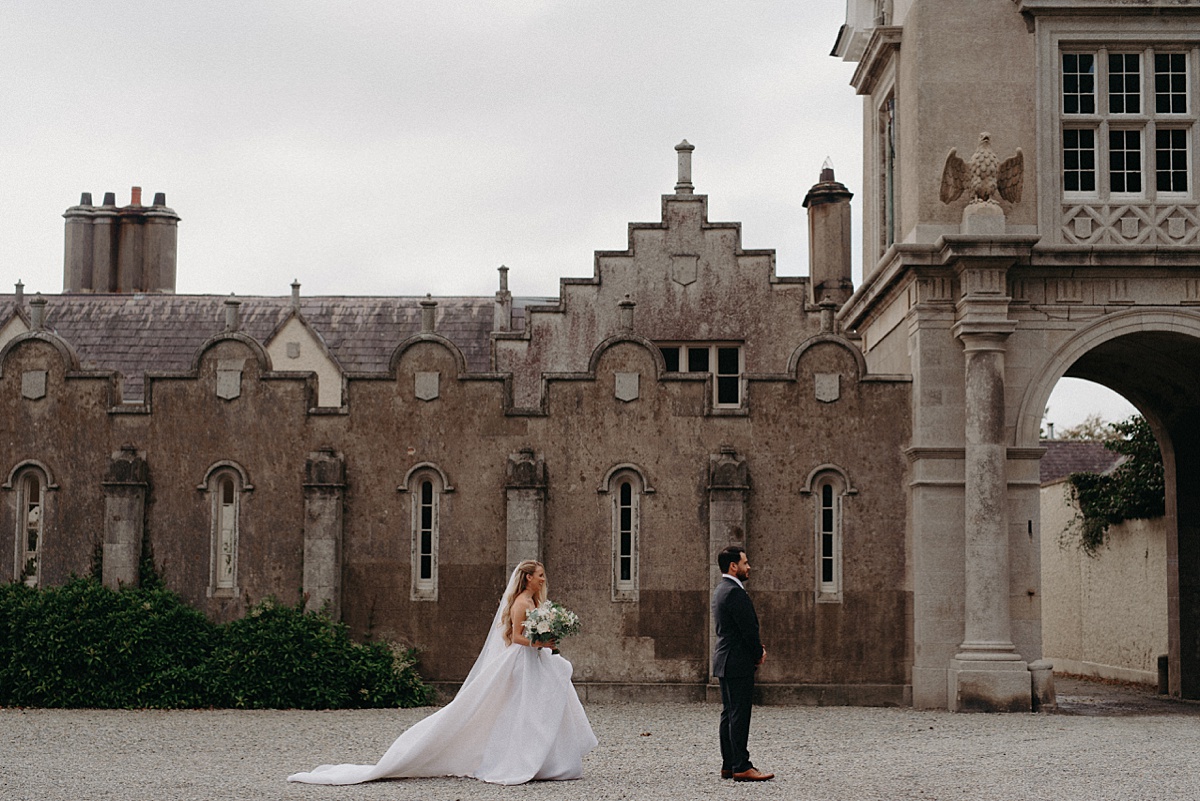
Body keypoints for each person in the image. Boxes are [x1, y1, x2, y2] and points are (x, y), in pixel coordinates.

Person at [287, 560, 597, 786]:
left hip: (535, 659)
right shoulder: (520, 602)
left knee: (538, 708)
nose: (543, 579)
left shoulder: (532, 601)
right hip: (523, 660)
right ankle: (520, 760)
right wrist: (542, 639)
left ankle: (549, 759)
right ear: (527, 577)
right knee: (522, 711)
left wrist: (545, 637)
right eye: (539, 575)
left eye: (543, 575)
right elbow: (516, 637)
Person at [712, 545, 773, 782]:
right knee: (739, 714)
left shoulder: (721, 590)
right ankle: (741, 766)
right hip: (737, 662)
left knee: (729, 714)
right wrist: (758, 652)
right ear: (733, 566)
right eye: (746, 563)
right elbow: (749, 630)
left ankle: (729, 764)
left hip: (725, 660)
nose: (749, 567)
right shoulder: (735, 592)